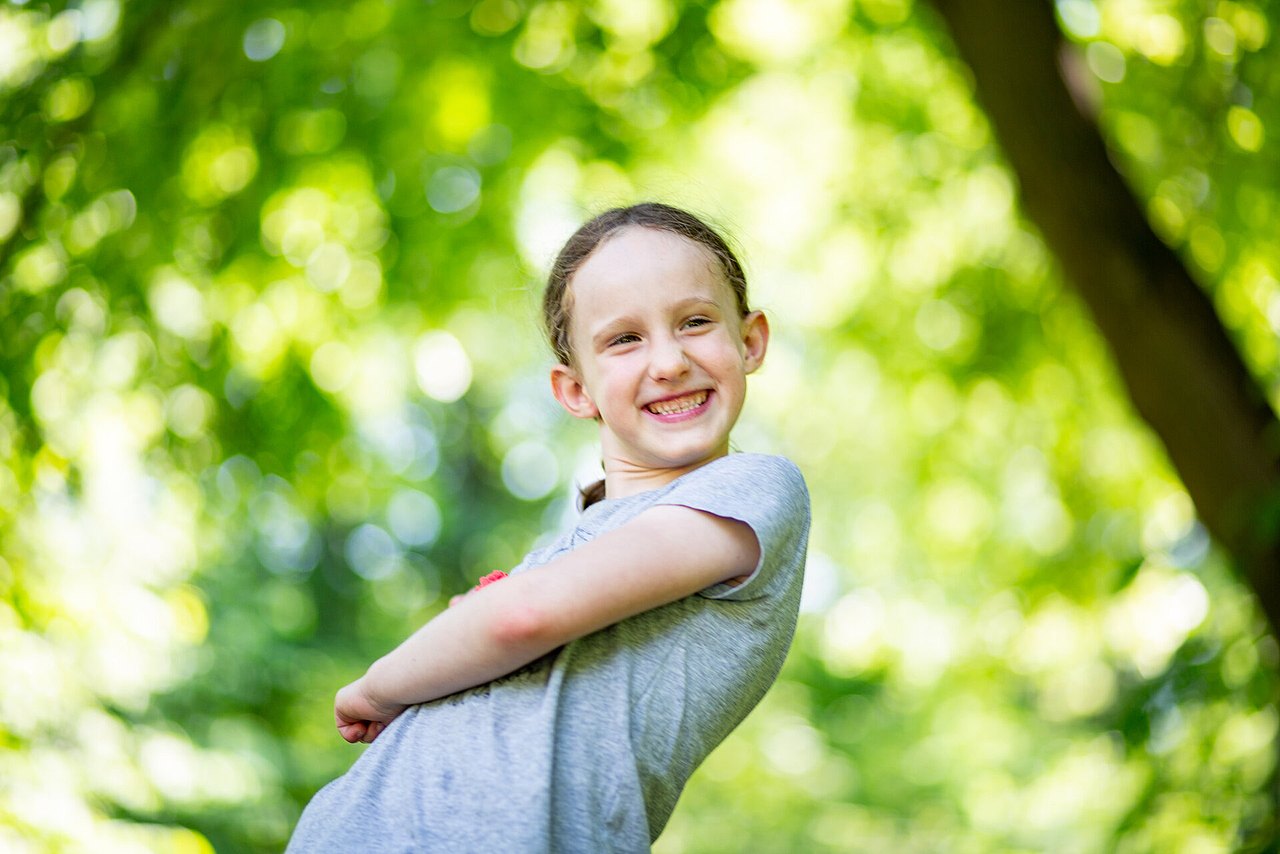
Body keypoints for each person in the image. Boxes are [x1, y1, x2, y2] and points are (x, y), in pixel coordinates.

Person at [286, 202, 810, 852]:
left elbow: (520, 619)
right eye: (625, 339)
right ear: (575, 391)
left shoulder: (753, 489)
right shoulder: (569, 544)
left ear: (750, 339)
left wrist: (376, 686)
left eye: (696, 322)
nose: (669, 361)